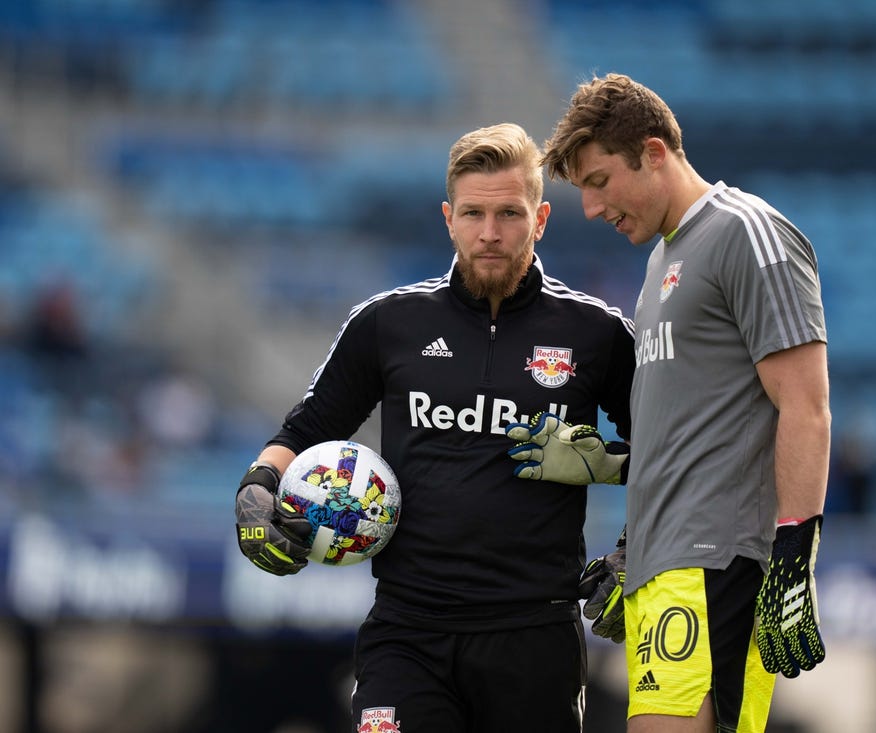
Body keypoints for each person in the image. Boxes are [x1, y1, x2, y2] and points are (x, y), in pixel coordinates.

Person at [233, 122, 636, 733]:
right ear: (449, 218)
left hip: (534, 637)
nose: (490, 233)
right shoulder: (386, 323)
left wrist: (638, 546)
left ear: (543, 218)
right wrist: (258, 487)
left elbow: (669, 453)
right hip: (408, 632)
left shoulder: (597, 334)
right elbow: (310, 426)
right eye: (473, 213)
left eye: (509, 213)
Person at [509, 73, 831, 732]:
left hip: (719, 562)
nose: (593, 209)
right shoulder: (661, 262)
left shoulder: (748, 232)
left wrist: (795, 560)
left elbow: (806, 405)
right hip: (669, 565)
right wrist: (633, 541)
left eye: (598, 182)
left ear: (655, 153)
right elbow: (696, 430)